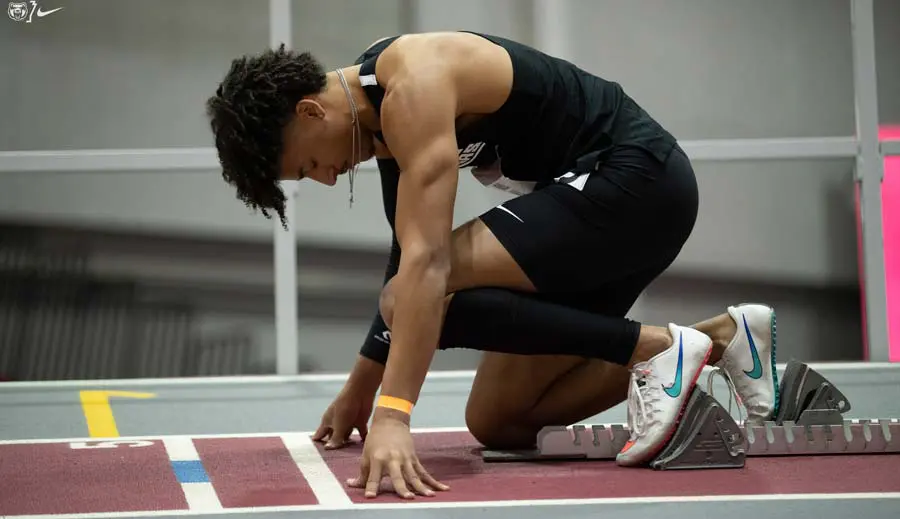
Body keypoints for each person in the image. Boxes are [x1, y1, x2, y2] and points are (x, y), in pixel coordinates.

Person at [206, 32, 779, 499]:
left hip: (638, 182)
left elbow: (426, 265)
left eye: (309, 165)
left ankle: (656, 352)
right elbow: (408, 250)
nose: (328, 179)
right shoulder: (373, 113)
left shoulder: (412, 86)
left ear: (310, 111)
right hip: (597, 216)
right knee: (500, 419)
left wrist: (393, 416)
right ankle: (718, 340)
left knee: (412, 291)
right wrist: (362, 384)